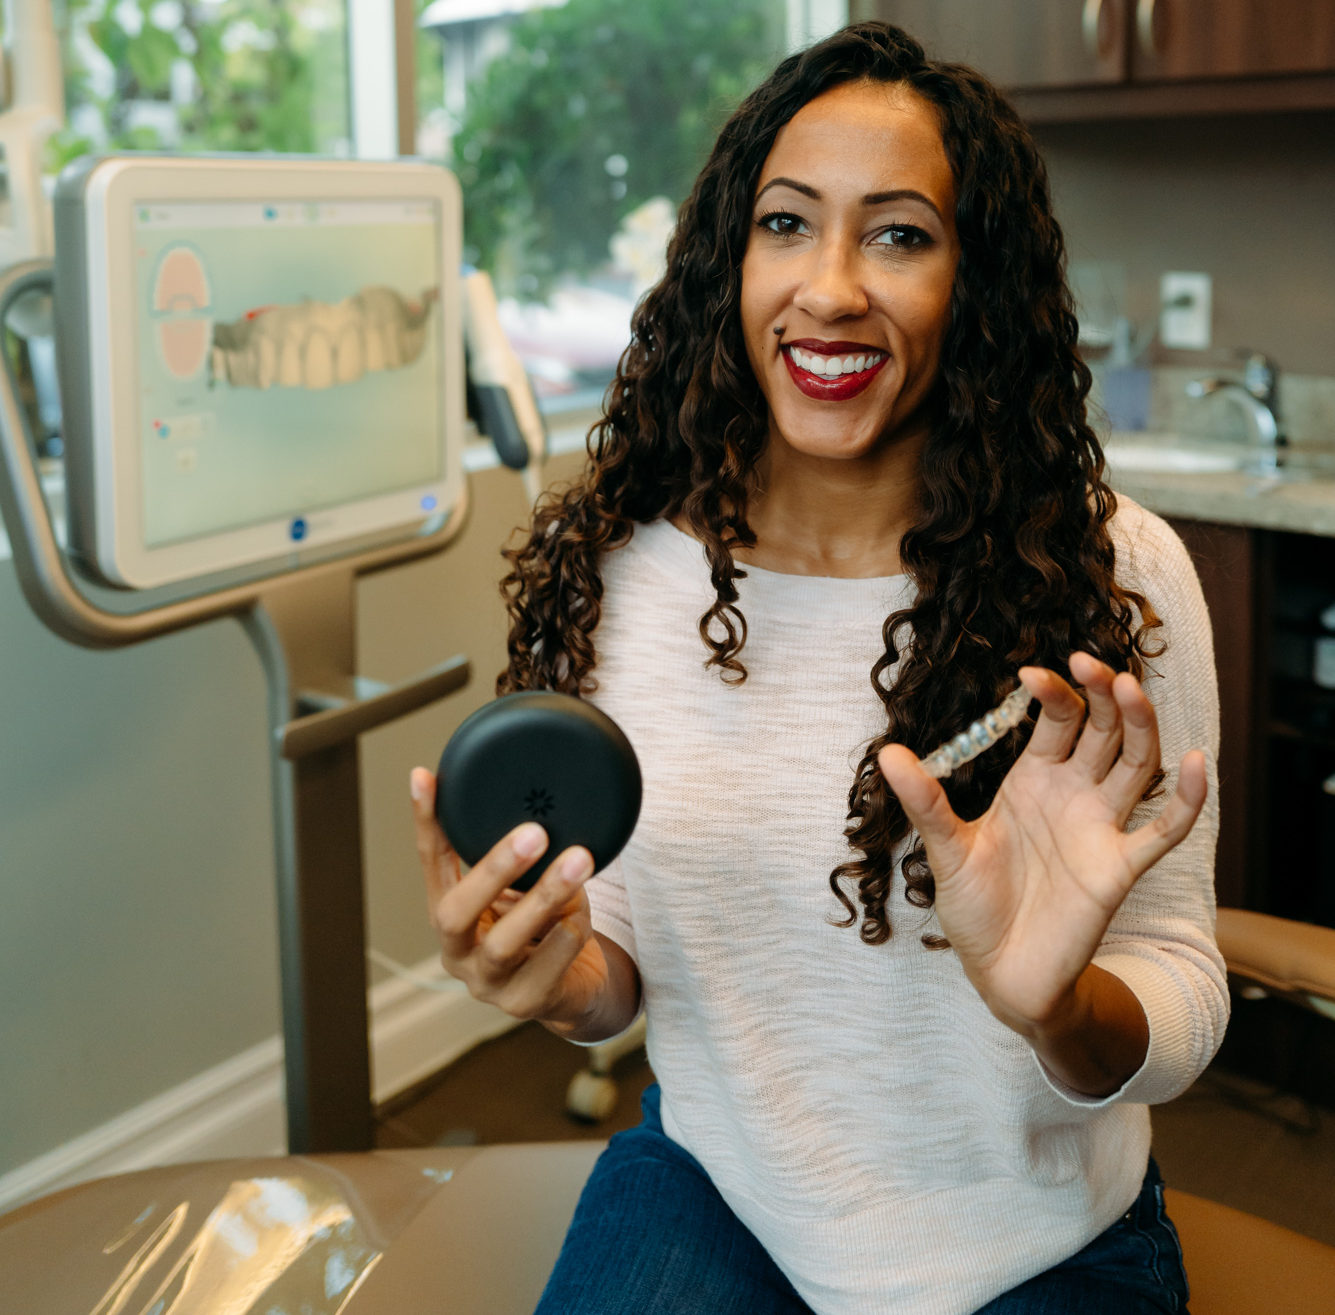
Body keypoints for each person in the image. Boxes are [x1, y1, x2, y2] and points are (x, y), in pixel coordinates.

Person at [410, 21, 1226, 1315]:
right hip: (720, 1188)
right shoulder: (623, 571)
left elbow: (1181, 979)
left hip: (1037, 1241)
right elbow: (617, 967)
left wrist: (1059, 1010)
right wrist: (563, 986)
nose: (831, 287)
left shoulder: (1112, 575)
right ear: (727, 261)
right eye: (786, 223)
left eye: (899, 235)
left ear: (976, 281)